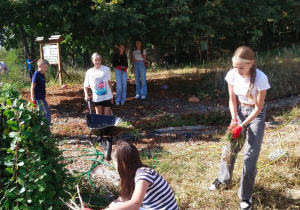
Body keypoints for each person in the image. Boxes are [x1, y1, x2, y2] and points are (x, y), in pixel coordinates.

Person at [208, 46, 270, 210]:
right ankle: (223, 180)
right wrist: (234, 119)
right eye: (235, 67)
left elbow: (257, 108)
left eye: (241, 67)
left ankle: (245, 196)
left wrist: (243, 125)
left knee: (250, 156)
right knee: (229, 148)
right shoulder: (232, 75)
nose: (237, 70)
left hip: (256, 115)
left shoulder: (261, 79)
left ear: (251, 63)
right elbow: (232, 100)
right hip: (239, 112)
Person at [106, 141, 179, 210]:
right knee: (117, 205)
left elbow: (135, 203)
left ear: (122, 164)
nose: (114, 166)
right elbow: (123, 198)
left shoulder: (143, 175)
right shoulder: (134, 174)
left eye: (114, 162)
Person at [31, 58, 51, 124]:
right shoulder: (36, 74)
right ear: (39, 66)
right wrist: (33, 101)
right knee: (45, 116)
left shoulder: (42, 74)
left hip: (42, 98)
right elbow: (32, 87)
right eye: (45, 67)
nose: (46, 69)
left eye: (47, 67)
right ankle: (45, 132)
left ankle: (47, 132)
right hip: (38, 99)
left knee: (47, 115)